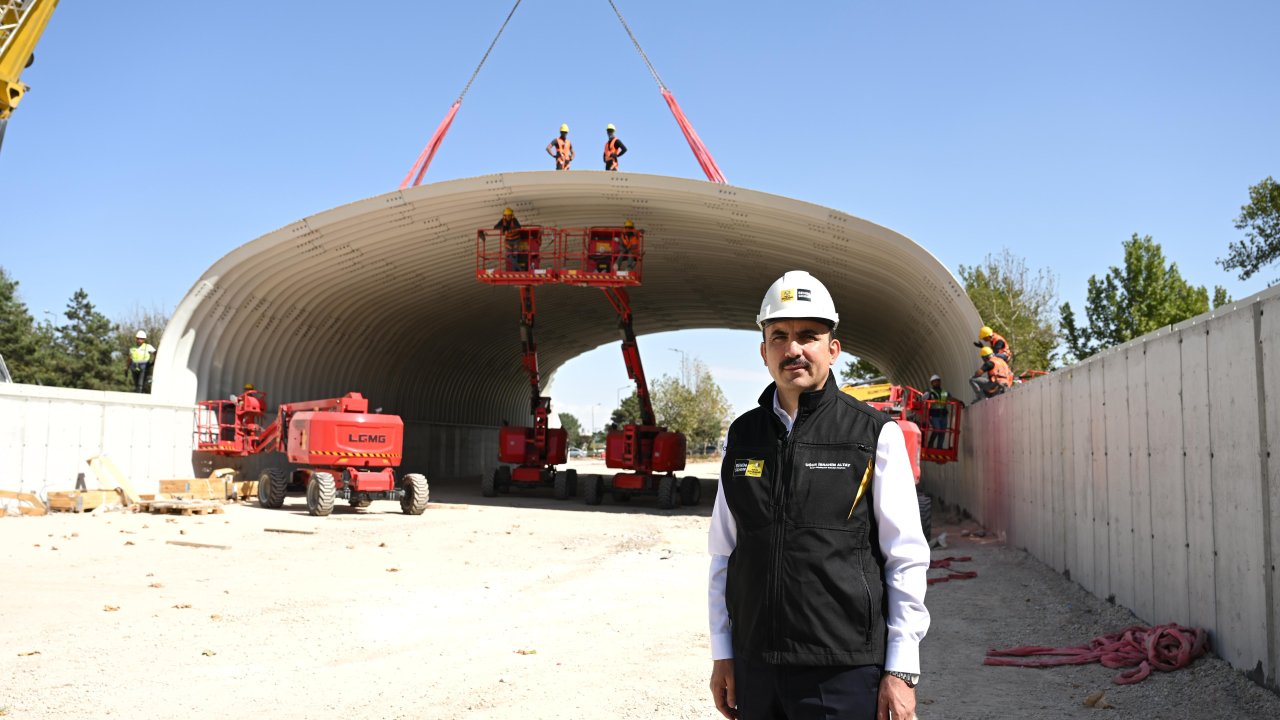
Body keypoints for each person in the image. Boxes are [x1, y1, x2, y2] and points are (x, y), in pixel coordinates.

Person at [708, 270, 930, 720]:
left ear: (833, 348)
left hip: (842, 670)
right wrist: (723, 650)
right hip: (756, 665)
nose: (793, 349)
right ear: (764, 350)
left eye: (808, 335)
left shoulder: (873, 434)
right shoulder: (742, 435)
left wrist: (902, 670)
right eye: (780, 336)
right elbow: (724, 554)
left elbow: (905, 556)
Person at [925, 374, 950, 449]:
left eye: (938, 381)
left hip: (943, 415)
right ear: (932, 383)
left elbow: (951, 398)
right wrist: (927, 395)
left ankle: (939, 448)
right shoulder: (929, 391)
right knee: (937, 429)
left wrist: (959, 401)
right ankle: (930, 443)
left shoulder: (944, 392)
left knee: (942, 432)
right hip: (934, 415)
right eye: (934, 382)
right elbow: (923, 398)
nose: (936, 383)